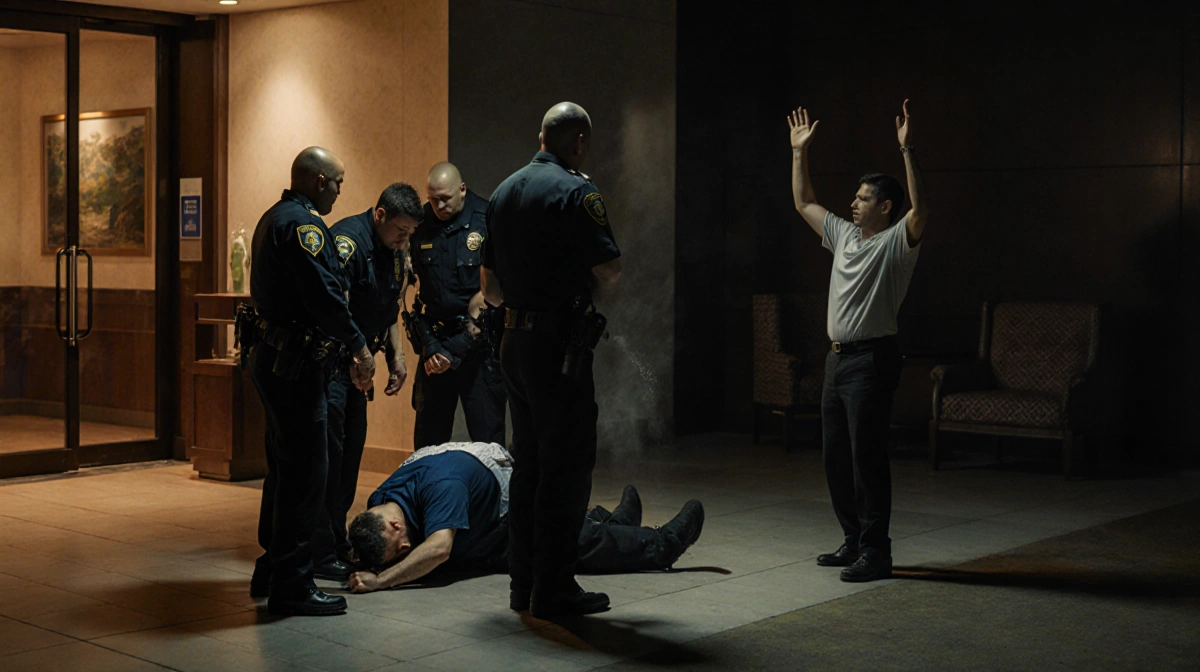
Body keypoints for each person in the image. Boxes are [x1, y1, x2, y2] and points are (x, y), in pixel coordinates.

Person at [481, 102, 622, 618]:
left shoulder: (501, 192)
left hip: (512, 343)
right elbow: (609, 269)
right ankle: (555, 588)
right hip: (558, 349)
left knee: (529, 464)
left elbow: (489, 289)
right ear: (579, 142)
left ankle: (523, 585)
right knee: (566, 467)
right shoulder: (578, 191)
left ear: (540, 135)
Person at [788, 100, 928, 582]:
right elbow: (804, 202)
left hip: (872, 360)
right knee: (836, 458)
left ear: (884, 207)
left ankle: (876, 552)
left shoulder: (897, 243)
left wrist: (906, 149)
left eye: (863, 198)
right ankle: (853, 540)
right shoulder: (845, 235)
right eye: (855, 197)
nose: (853, 203)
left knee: (867, 459)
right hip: (837, 361)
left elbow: (922, 210)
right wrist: (799, 152)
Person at [244, 146, 376, 616]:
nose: (340, 192)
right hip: (295, 368)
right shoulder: (305, 226)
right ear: (320, 181)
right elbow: (325, 297)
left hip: (275, 360)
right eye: (338, 183)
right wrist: (359, 346)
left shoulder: (272, 217)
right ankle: (294, 586)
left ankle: (272, 568)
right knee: (306, 475)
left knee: (285, 470)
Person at [344, 444, 705, 600]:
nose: (406, 549)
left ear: (395, 526)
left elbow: (439, 549)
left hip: (505, 506)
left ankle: (663, 545)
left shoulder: (441, 488)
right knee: (562, 540)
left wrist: (381, 581)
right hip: (481, 519)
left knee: (561, 543)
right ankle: (612, 522)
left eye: (400, 547)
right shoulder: (380, 502)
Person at [309, 183, 423, 583]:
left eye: (410, 232)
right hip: (334, 367)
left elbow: (389, 310)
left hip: (360, 367)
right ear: (380, 215)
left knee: (350, 454)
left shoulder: (396, 252)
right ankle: (320, 548)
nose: (404, 238)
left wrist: (396, 357)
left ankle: (336, 541)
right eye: (400, 230)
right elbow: (333, 307)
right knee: (330, 456)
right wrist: (358, 356)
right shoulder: (348, 242)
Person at [406, 162, 506, 450]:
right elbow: (413, 290)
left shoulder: (487, 218)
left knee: (489, 444)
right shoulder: (420, 224)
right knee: (427, 444)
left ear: (462, 189)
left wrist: (455, 349)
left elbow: (494, 292)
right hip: (435, 350)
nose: (438, 205)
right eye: (432, 199)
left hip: (478, 350)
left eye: (445, 198)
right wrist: (430, 346)